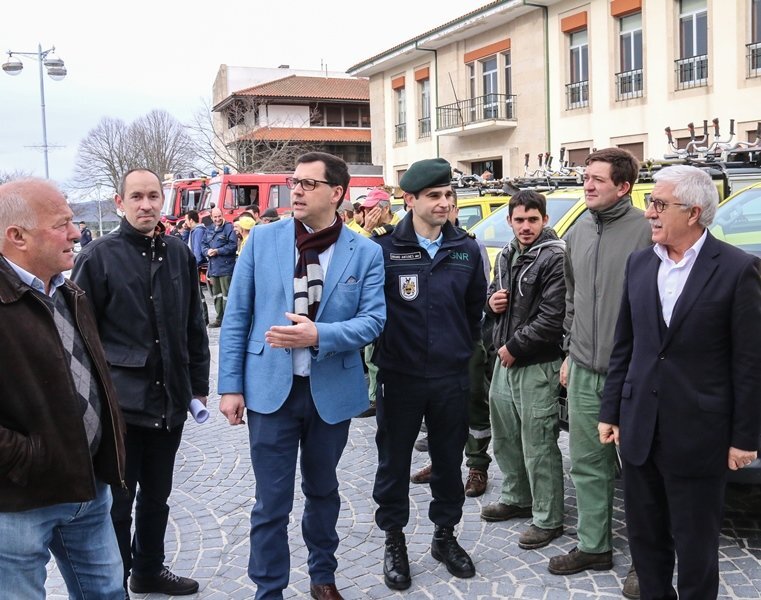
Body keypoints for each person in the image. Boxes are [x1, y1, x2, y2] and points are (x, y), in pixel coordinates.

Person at [218, 151, 386, 600]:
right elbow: (237, 317)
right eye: (294, 182)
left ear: (336, 193)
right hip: (270, 391)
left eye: (309, 184)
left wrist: (319, 335)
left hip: (329, 392)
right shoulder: (262, 240)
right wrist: (230, 386)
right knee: (271, 502)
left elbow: (373, 321)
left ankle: (322, 576)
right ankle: (268, 589)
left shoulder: (365, 252)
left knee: (323, 490)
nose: (296, 190)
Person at [599, 165, 761, 599]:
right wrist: (611, 411)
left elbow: (749, 362)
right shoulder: (639, 263)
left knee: (696, 548)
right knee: (646, 541)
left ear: (693, 213)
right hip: (639, 430)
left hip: (699, 436)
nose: (649, 212)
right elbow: (625, 344)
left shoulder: (737, 268)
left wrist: (745, 438)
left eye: (659, 204)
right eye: (650, 202)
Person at [72, 168, 210, 598]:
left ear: (162, 200)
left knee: (157, 497)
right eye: (137, 196)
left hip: (170, 401)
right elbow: (78, 336)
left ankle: (148, 570)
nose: (146, 204)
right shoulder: (97, 257)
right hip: (120, 409)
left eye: (153, 195)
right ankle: (114, 585)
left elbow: (193, 324)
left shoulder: (179, 253)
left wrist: (198, 386)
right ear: (120, 202)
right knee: (117, 505)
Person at [0, 178, 126, 599]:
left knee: (107, 592)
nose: (76, 233)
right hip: (18, 500)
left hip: (88, 487)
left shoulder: (67, 290)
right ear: (17, 236)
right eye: (62, 224)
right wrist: (32, 458)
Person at [371, 158, 487, 590]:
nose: (444, 202)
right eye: (434, 195)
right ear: (410, 199)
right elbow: (372, 311)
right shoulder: (383, 248)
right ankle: (394, 540)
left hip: (450, 377)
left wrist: (456, 350)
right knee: (394, 462)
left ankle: (445, 536)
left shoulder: (466, 249)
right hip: (400, 376)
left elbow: (474, 311)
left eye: (448, 195)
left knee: (448, 460)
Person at [548, 148, 651, 599]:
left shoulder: (648, 231)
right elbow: (572, 300)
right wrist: (570, 353)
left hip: (633, 376)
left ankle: (648, 563)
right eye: (585, 177)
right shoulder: (578, 231)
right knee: (587, 463)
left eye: (597, 179)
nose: (587, 185)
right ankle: (594, 547)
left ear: (623, 187)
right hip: (585, 369)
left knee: (643, 472)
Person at [480, 190, 567, 550]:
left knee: (539, 443)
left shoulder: (556, 256)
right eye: (520, 220)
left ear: (545, 219)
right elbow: (492, 297)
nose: (526, 226)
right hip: (505, 359)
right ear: (510, 221)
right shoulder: (505, 254)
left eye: (533, 219)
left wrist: (514, 348)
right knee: (505, 437)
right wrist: (491, 303)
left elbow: (553, 317)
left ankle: (548, 518)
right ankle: (517, 497)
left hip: (536, 362)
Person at [409, 190, 493, 497]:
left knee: (473, 404)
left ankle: (477, 466)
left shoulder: (470, 247)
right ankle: (441, 460)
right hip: (429, 346)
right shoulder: (418, 244)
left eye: (452, 205)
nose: (446, 209)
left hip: (465, 342)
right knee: (435, 406)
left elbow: (479, 298)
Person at [202, 207, 237, 327]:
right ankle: (219, 318)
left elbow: (233, 245)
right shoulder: (209, 229)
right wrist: (207, 251)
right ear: (211, 217)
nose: (217, 219)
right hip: (213, 268)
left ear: (222, 215)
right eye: (215, 217)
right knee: (216, 294)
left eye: (219, 216)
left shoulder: (229, 228)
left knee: (227, 294)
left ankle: (228, 319)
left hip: (226, 267)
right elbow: (203, 244)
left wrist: (218, 251)